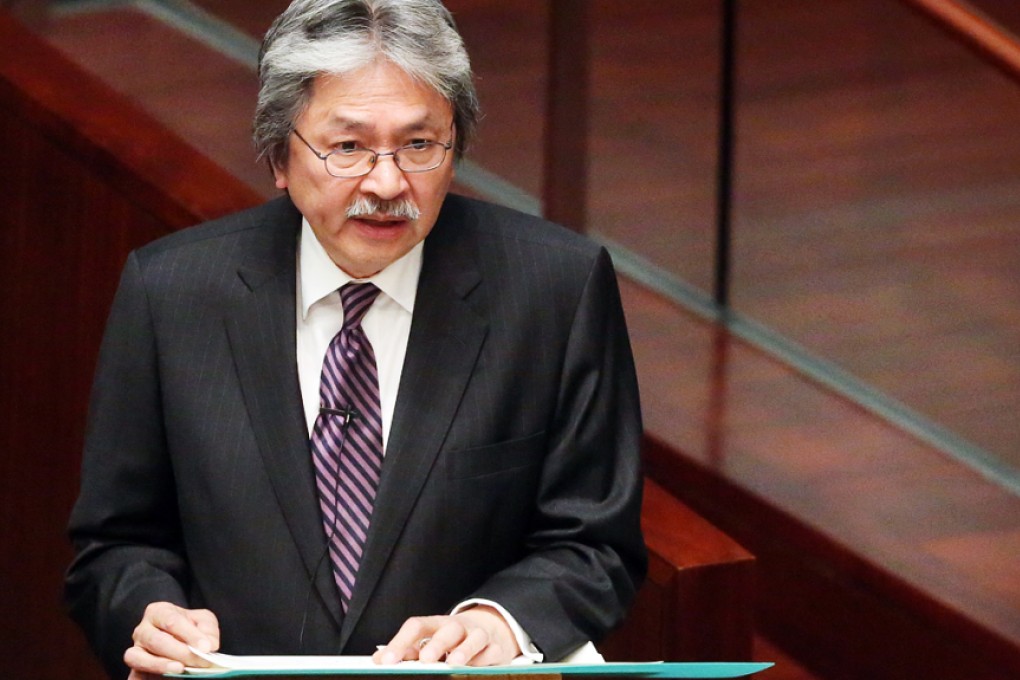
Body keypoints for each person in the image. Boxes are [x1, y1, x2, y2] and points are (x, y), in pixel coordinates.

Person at [64, 1, 646, 678]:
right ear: (280, 155)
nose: (388, 182)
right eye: (348, 147)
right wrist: (147, 611)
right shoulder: (172, 293)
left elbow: (596, 544)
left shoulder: (555, 290)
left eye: (420, 144)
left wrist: (502, 620)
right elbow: (114, 545)